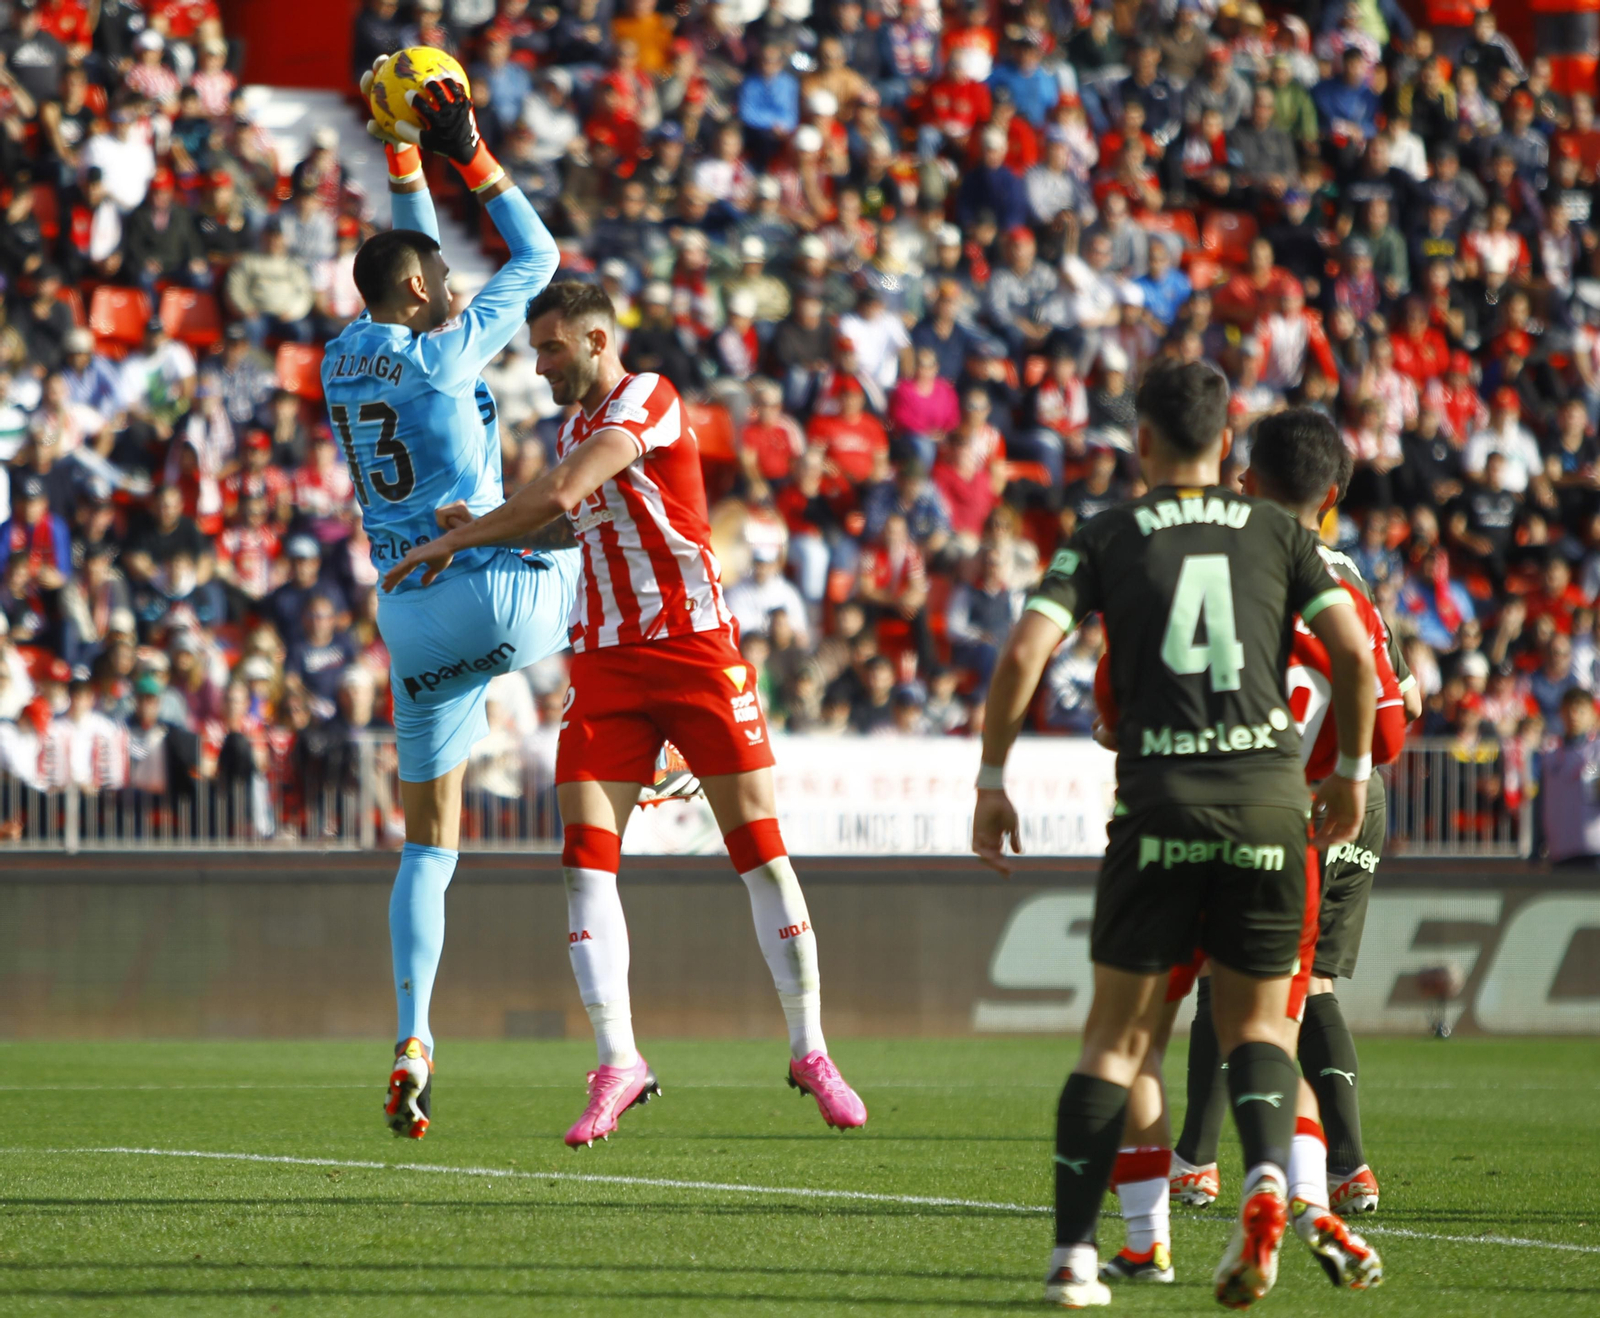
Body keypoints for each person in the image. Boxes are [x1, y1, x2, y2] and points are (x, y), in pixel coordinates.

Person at [383, 277, 869, 1147]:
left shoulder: (648, 397)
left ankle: (811, 1049)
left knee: (759, 847)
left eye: (553, 348)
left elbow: (568, 490)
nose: (542, 364)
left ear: (599, 341)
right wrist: (494, 519)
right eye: (536, 350)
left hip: (694, 649)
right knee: (584, 861)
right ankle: (620, 1062)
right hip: (607, 661)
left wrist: (458, 538)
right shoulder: (577, 429)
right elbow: (578, 521)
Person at [971, 361, 1377, 1308]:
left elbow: (1027, 650)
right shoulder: (1282, 530)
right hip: (1274, 809)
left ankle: (1079, 1258)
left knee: (1116, 1041)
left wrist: (993, 780)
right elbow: (1354, 653)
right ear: (1227, 444)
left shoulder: (1107, 533)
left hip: (1159, 807)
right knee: (1259, 1031)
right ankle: (1271, 1181)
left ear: (1142, 442)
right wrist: (1352, 775)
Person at [331, 62, 581, 1141]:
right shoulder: (444, 356)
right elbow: (539, 257)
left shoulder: (345, 358)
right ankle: (654, 732)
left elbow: (407, 254)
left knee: (429, 844)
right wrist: (465, 148)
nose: (445, 276)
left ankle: (414, 1036)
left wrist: (398, 150)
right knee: (605, 526)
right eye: (437, 272)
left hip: (409, 614)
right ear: (427, 294)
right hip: (493, 591)